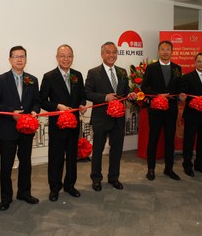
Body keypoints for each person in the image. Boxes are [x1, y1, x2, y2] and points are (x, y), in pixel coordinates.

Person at [0, 45, 40, 211]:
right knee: (6, 165)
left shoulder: (33, 79)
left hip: (27, 128)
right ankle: (6, 198)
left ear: (26, 59)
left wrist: (35, 111)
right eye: (16, 56)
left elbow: (36, 101)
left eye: (23, 56)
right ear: (10, 59)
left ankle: (24, 193)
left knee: (26, 162)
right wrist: (10, 113)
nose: (20, 59)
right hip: (7, 129)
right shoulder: (0, 80)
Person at [85, 42, 136, 191]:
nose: (111, 55)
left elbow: (124, 93)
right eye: (108, 52)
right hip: (101, 118)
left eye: (114, 52)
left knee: (117, 149)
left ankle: (114, 177)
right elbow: (87, 93)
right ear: (102, 54)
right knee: (98, 150)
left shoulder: (122, 72)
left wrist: (130, 95)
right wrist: (104, 97)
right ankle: (96, 178)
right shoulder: (93, 72)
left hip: (118, 118)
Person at [40, 44, 87, 202]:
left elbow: (82, 95)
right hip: (57, 125)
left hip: (74, 124)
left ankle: (70, 185)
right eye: (63, 56)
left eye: (69, 56)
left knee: (72, 157)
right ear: (57, 58)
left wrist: (81, 104)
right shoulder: (49, 76)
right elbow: (42, 101)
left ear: (73, 58)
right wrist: (57, 106)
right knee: (56, 157)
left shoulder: (77, 75)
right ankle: (54, 188)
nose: (66, 59)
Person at [141, 40, 182, 181]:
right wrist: (157, 95)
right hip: (156, 109)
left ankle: (169, 169)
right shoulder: (151, 68)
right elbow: (144, 87)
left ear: (172, 52)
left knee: (170, 139)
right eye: (162, 49)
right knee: (153, 139)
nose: (165, 51)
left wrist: (181, 94)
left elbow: (179, 88)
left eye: (168, 49)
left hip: (171, 110)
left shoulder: (177, 68)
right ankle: (150, 169)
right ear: (158, 51)